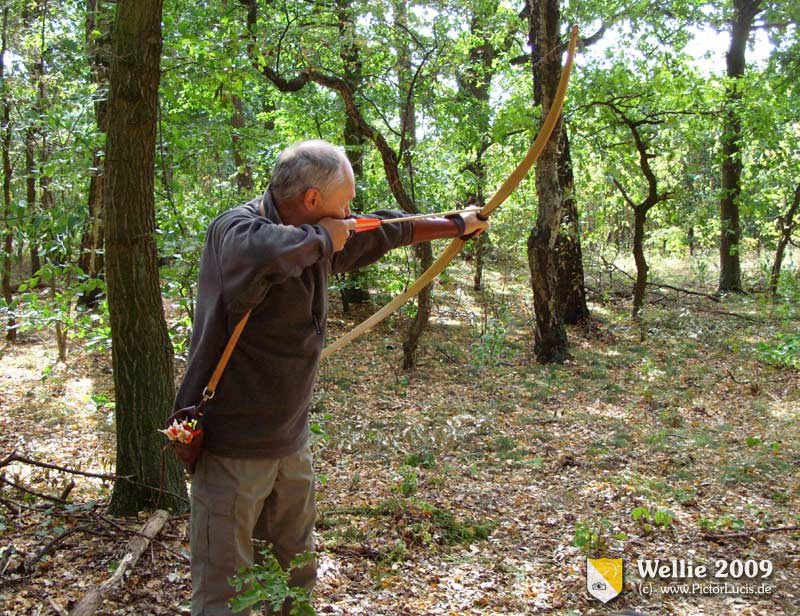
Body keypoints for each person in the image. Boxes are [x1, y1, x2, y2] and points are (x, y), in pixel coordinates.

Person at [174, 139, 488, 615]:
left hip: (289, 446)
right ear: (313, 201)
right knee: (225, 591)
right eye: (344, 204)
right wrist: (325, 239)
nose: (350, 214)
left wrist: (453, 226)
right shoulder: (237, 230)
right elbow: (266, 253)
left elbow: (383, 229)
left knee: (296, 573)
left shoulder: (316, 236)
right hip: (232, 449)